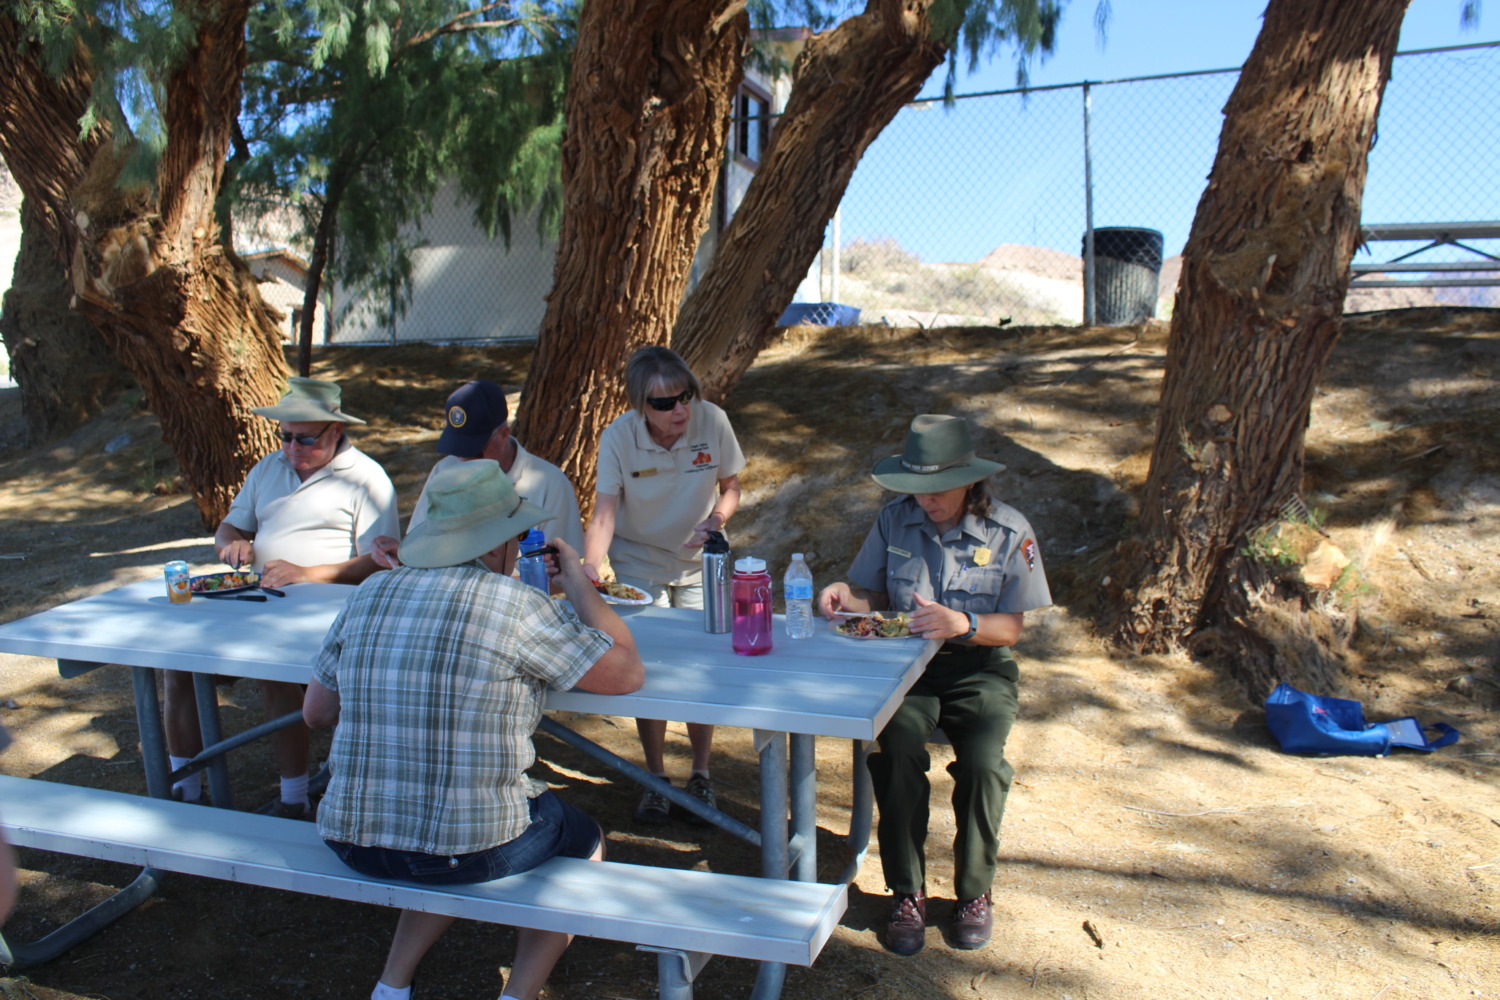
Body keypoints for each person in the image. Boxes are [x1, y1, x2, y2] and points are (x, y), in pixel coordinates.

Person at [304, 460, 644, 1000]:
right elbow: (627, 672)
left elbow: (315, 713)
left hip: (351, 837)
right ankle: (521, 992)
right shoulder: (516, 605)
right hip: (464, 847)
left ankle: (392, 987)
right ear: (493, 547)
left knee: (432, 829)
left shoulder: (368, 593)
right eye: (512, 536)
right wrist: (578, 578)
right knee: (582, 840)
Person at [818, 414, 1051, 956]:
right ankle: (907, 891)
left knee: (983, 764)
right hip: (906, 668)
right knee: (896, 750)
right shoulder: (894, 521)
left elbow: (1010, 630)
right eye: (915, 489)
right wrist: (844, 597)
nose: (925, 501)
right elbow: (874, 598)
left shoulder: (1009, 531)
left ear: (969, 480)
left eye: (936, 490)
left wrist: (962, 624)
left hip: (979, 669)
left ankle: (974, 892)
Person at [163, 377, 399, 817]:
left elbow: (379, 560)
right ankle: (186, 789)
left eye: (305, 438)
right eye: (285, 436)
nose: (292, 447)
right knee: (177, 664)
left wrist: (307, 574)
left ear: (335, 432)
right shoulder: (268, 469)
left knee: (276, 673)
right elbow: (230, 527)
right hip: (259, 602)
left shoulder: (368, 479)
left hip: (326, 617)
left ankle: (294, 798)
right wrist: (230, 545)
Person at [582, 346, 744, 825]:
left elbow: (732, 485)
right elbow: (605, 512)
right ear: (639, 406)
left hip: (699, 559)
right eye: (664, 403)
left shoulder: (712, 422)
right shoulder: (618, 437)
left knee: (700, 664)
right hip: (639, 559)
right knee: (644, 667)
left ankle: (701, 773)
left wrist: (716, 518)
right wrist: (592, 565)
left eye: (686, 396)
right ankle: (655, 777)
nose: (680, 410)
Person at [370, 379, 584, 568]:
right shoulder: (445, 471)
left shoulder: (549, 483)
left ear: (503, 434)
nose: (464, 459)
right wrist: (401, 555)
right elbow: (420, 545)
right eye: (458, 448)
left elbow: (562, 575)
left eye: (474, 449)